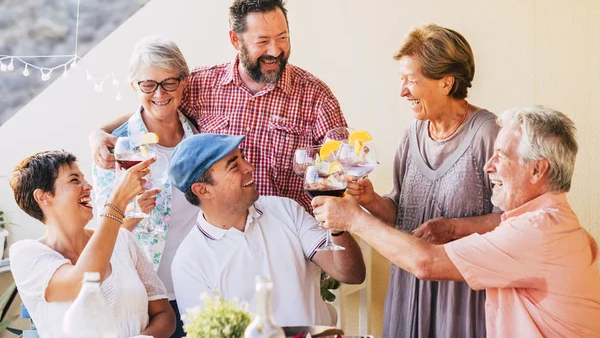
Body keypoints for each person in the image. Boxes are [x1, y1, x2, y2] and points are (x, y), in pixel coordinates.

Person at [314, 106, 600, 337]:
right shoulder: (551, 223)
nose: (489, 167)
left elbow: (427, 263)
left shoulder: (538, 231)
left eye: (500, 156)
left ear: (537, 169)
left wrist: (353, 219)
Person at [89, 0, 347, 214]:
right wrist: (99, 133)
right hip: (220, 243)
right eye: (263, 41)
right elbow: (158, 104)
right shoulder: (201, 85)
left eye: (282, 38)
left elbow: (341, 169)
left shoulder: (316, 97)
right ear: (236, 40)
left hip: (289, 242)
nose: (275, 50)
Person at [342, 24, 502, 337]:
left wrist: (453, 228)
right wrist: (371, 200)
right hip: (408, 293)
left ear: (446, 83)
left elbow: (511, 222)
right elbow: (399, 214)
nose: (402, 91)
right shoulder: (411, 135)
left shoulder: (489, 135)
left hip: (461, 301)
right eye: (401, 80)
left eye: (411, 81)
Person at [167, 134, 366, 326]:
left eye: (242, 158)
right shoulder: (189, 262)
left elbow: (351, 275)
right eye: (234, 166)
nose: (249, 167)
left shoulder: (286, 210)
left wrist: (338, 226)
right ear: (202, 190)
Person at [91, 36, 199, 337]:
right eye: (148, 84)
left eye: (169, 83)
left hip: (204, 288)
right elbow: (102, 235)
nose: (160, 93)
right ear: (134, 87)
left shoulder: (201, 135)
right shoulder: (115, 151)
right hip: (148, 303)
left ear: (184, 82)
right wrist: (132, 212)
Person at [9, 151, 176, 338]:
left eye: (84, 179)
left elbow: (164, 315)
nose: (88, 186)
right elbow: (80, 284)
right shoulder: (25, 254)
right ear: (43, 197)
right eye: (74, 180)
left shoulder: (122, 239)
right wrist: (117, 202)